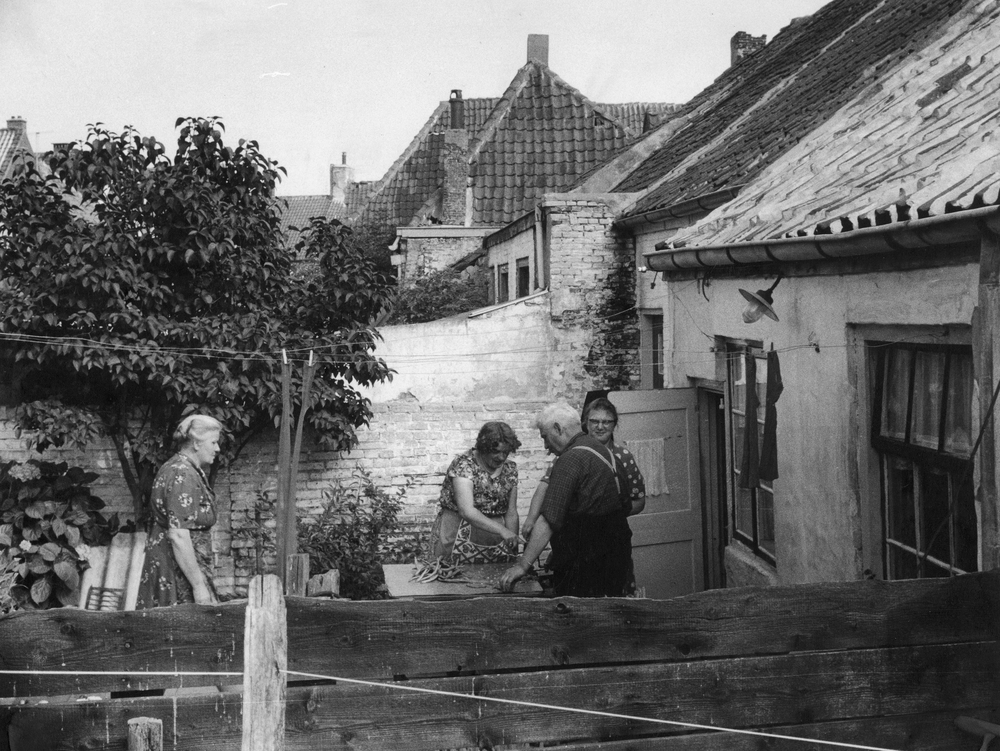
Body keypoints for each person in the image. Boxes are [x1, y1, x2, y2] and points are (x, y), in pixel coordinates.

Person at [500, 402, 633, 597]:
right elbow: (627, 506)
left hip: (586, 561)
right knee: (609, 609)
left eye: (545, 437)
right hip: (617, 553)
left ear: (557, 428)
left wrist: (522, 565)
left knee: (577, 612)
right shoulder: (606, 453)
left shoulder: (571, 459)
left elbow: (549, 520)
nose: (546, 447)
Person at [521, 397, 645, 536]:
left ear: (614, 424)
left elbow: (638, 500)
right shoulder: (568, 454)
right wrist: (531, 519)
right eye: (594, 421)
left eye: (606, 422)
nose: (600, 427)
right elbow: (544, 486)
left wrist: (607, 517)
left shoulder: (623, 456)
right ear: (585, 422)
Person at [136, 414, 223, 608]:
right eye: (213, 442)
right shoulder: (182, 473)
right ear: (196, 443)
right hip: (177, 571)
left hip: (180, 566)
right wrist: (198, 586)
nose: (218, 448)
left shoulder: (181, 468)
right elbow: (178, 535)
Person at [428, 421, 522, 561]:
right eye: (496, 452)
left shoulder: (510, 469)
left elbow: (511, 513)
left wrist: (512, 543)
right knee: (450, 571)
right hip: (456, 532)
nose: (502, 457)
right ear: (483, 448)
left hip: (495, 539)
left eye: (506, 452)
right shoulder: (464, 465)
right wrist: (503, 530)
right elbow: (467, 511)